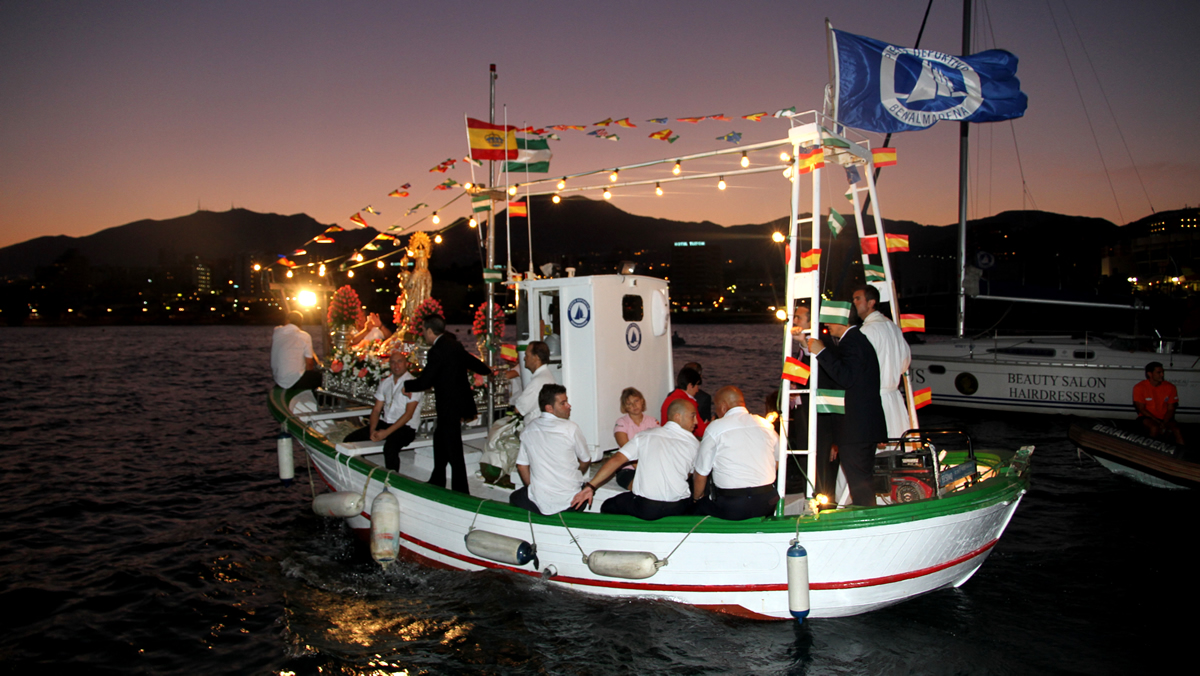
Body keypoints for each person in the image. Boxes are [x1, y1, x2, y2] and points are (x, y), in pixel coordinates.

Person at [403, 316, 491, 494]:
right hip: (458, 402)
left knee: (453, 449)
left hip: (448, 405)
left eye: (423, 330)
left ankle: (461, 491)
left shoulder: (437, 350)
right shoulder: (453, 344)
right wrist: (487, 370)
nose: (423, 334)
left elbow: (426, 381)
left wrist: (407, 386)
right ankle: (438, 478)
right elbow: (470, 361)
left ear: (429, 330)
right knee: (440, 439)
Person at [571, 398, 699, 520]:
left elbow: (616, 460)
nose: (696, 422)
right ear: (677, 417)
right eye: (692, 416)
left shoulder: (645, 436)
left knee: (608, 506)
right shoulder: (694, 443)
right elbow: (690, 475)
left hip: (647, 508)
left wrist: (590, 487)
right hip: (678, 507)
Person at [808, 312, 887, 507]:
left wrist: (821, 352)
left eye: (830, 319)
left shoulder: (851, 343)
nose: (826, 324)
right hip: (862, 426)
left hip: (855, 429)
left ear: (842, 320)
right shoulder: (859, 340)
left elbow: (845, 377)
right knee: (863, 480)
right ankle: (868, 517)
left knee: (859, 484)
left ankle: (866, 523)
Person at [692, 386, 780, 520]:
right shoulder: (766, 425)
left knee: (696, 507)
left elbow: (701, 474)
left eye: (715, 407)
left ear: (722, 407)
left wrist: (697, 498)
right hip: (767, 501)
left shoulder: (715, 428)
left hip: (732, 505)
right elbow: (777, 461)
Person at [481, 341, 557, 486]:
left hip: (535, 433)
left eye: (527, 355)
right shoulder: (545, 376)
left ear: (536, 357)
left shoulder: (538, 382)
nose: (524, 358)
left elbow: (519, 409)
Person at [510, 385, 595, 515]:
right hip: (571, 499)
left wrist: (532, 488)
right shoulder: (571, 428)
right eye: (563, 403)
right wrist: (576, 474)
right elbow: (585, 460)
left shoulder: (528, 430)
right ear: (549, 408)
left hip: (539, 499)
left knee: (515, 497)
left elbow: (522, 466)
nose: (569, 405)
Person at [344, 350, 422, 471]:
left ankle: (392, 480)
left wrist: (385, 433)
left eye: (399, 362)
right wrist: (372, 431)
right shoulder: (386, 382)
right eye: (393, 362)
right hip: (386, 422)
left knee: (390, 448)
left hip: (406, 427)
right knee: (349, 440)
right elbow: (376, 410)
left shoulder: (414, 384)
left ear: (407, 364)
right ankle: (362, 469)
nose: (396, 365)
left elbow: (408, 415)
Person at [852, 285, 912, 438]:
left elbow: (857, 369)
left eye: (858, 299)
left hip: (874, 401)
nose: (854, 303)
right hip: (894, 400)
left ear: (871, 302)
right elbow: (905, 363)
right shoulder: (893, 327)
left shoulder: (866, 332)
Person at [1134, 361, 1184, 444]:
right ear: (1150, 374)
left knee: (1177, 430)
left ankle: (1183, 453)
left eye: (1163, 372)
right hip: (1148, 417)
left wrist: (1164, 422)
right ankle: (1149, 450)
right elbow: (1142, 409)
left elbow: (1171, 409)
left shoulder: (1170, 387)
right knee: (1154, 428)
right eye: (1159, 372)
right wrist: (1158, 422)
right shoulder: (1140, 387)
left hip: (1165, 418)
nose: (1162, 375)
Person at [271, 311, 323, 391]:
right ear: (300, 323)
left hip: (278, 379)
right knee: (324, 379)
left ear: (287, 320)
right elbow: (309, 363)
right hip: (295, 380)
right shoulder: (304, 336)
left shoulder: (277, 331)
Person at [661, 367, 707, 439]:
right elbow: (702, 431)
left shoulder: (668, 399)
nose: (697, 390)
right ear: (690, 386)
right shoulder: (688, 403)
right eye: (697, 385)